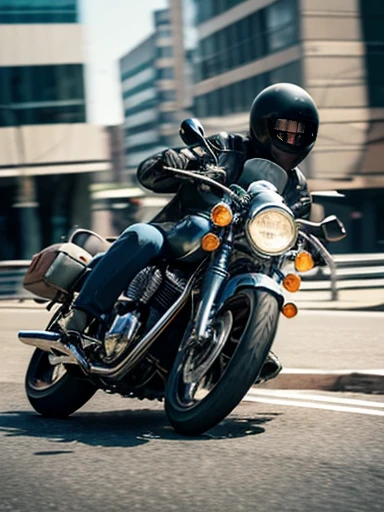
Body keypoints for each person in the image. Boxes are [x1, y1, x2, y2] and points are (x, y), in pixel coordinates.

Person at [63, 82, 319, 381]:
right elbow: (162, 169)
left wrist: (312, 245)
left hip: (245, 255)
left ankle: (247, 346)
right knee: (142, 237)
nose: (291, 138)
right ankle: (79, 319)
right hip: (186, 232)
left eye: (299, 133)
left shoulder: (298, 190)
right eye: (284, 130)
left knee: (274, 275)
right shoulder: (226, 148)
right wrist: (172, 161)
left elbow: (297, 226)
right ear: (263, 126)